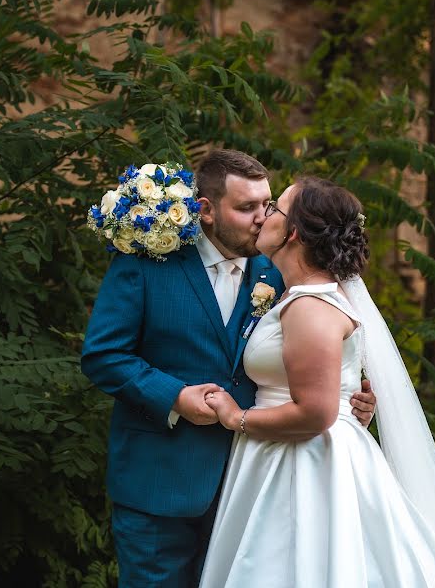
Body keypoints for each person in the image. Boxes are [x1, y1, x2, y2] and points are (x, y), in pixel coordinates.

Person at [80, 150, 376, 587]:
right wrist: (176, 397)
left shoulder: (279, 271)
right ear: (207, 211)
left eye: (267, 204)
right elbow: (103, 355)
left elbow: (313, 354)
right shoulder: (146, 264)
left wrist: (347, 404)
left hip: (255, 482)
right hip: (161, 479)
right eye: (245, 207)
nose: (261, 217)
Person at [200, 177, 435, 587]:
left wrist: (237, 418)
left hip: (305, 462)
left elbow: (316, 412)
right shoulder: (298, 295)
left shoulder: (310, 307)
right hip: (283, 452)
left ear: (293, 232)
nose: (263, 216)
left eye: (274, 208)